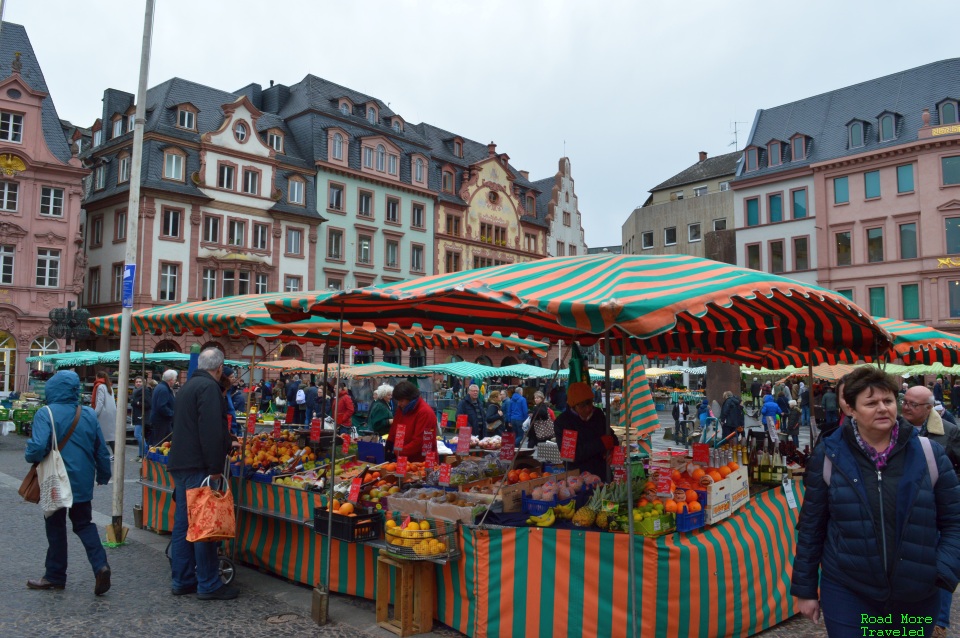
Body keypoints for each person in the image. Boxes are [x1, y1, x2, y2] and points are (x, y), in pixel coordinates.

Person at [792, 366, 960, 637]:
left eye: (888, 401)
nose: (882, 408)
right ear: (851, 409)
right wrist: (805, 589)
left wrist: (942, 569)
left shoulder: (930, 454)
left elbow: (955, 521)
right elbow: (812, 526)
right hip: (849, 591)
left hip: (916, 593)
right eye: (871, 403)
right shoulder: (829, 456)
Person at [24, 370, 112, 596]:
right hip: (82, 481)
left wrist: (31, 456)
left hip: (55, 481)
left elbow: (36, 448)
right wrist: (103, 475)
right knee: (84, 524)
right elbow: (101, 450)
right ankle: (100, 565)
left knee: (55, 527)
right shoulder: (89, 414)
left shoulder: (46, 413)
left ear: (53, 388)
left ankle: (55, 575)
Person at [167, 347, 237, 600]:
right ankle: (208, 583)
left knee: (184, 526)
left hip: (182, 462)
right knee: (204, 524)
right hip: (198, 465)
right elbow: (209, 432)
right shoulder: (209, 389)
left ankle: (183, 579)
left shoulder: (187, 386)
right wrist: (215, 468)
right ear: (219, 368)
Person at [901, 384, 960, 637]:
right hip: (904, 509)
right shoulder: (892, 429)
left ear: (928, 408)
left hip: (936, 509)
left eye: (913, 405)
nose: (906, 407)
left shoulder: (948, 432)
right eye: (905, 401)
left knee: (940, 566)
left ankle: (939, 622)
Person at [553, 382, 618, 479]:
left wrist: (613, 450)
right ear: (573, 405)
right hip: (577, 478)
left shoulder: (598, 414)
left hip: (602, 474)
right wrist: (600, 443)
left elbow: (612, 437)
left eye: (590, 403)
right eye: (582, 406)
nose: (588, 409)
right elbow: (572, 455)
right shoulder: (563, 422)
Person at [388, 381, 438, 462]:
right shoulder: (402, 409)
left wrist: (397, 452)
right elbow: (394, 428)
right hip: (403, 460)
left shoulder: (425, 413)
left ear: (410, 398)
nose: (399, 404)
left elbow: (419, 442)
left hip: (421, 462)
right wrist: (389, 443)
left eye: (401, 401)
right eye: (398, 401)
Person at [92, 371, 117, 459]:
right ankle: (115, 454)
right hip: (111, 413)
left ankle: (101, 455)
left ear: (97, 377)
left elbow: (100, 402)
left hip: (103, 414)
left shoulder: (100, 386)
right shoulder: (108, 386)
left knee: (100, 435)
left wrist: (94, 413)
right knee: (111, 436)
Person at [150, 370, 177, 445]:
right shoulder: (164, 389)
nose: (175, 381)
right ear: (170, 380)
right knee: (160, 443)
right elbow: (162, 407)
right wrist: (172, 414)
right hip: (162, 422)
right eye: (175, 379)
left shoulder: (160, 387)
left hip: (161, 421)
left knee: (163, 442)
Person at [131, 376, 149, 462]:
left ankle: (145, 453)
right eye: (137, 382)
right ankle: (140, 455)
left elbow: (148, 404)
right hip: (137, 415)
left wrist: (137, 403)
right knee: (139, 435)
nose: (138, 383)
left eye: (140, 382)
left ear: (143, 383)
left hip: (142, 415)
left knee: (137, 434)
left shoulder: (145, 391)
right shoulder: (136, 391)